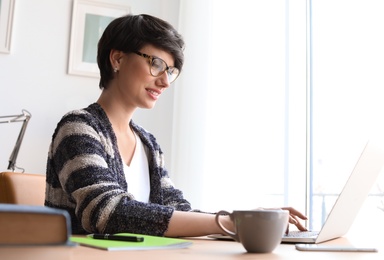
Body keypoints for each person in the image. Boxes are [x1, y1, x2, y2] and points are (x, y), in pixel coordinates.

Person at [45, 14, 307, 237]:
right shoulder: (78, 128)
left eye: (170, 71)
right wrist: (231, 223)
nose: (165, 82)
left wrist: (247, 218)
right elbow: (106, 212)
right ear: (117, 59)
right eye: (156, 64)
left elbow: (178, 210)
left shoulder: (148, 143)